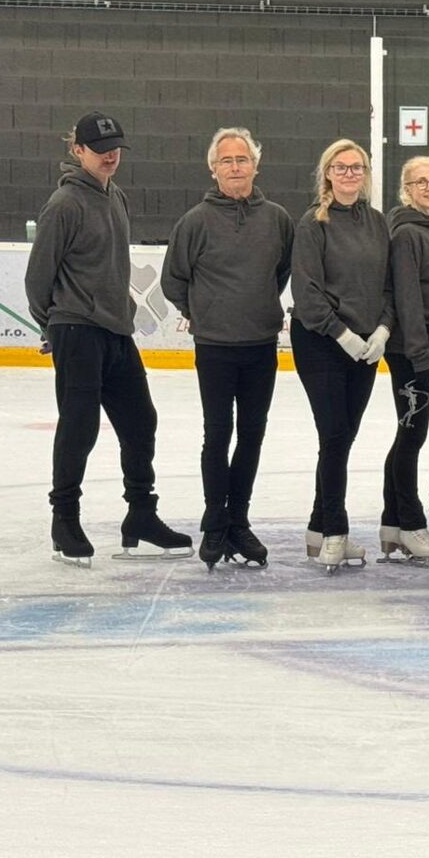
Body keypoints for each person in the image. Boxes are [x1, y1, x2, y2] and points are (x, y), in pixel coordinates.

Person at [26, 114, 193, 566]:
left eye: (115, 146)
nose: (110, 155)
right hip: (77, 330)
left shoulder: (115, 196)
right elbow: (37, 279)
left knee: (141, 422)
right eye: (100, 148)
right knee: (79, 427)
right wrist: (53, 327)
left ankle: (141, 516)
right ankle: (64, 520)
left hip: (117, 331)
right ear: (77, 150)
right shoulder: (64, 204)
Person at [161, 126, 292, 570]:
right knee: (217, 434)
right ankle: (216, 521)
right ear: (213, 169)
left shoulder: (277, 219)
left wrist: (256, 305)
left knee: (252, 434)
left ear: (256, 165)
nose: (235, 167)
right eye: (226, 161)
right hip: (215, 346)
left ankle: (239, 520)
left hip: (260, 345)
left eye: (242, 159)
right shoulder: (195, 222)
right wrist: (204, 311)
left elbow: (280, 272)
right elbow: (173, 280)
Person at [290, 138, 394, 572]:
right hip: (321, 342)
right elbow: (306, 291)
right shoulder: (313, 224)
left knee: (343, 436)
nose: (350, 174)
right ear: (328, 174)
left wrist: (383, 328)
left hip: (365, 347)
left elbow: (388, 285)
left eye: (357, 167)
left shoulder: (377, 223)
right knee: (334, 434)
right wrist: (341, 334)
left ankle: (318, 526)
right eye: (341, 167)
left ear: (365, 174)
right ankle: (335, 530)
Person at [380, 155, 429, 564]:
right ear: (405, 189)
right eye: (419, 181)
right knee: (412, 436)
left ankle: (392, 521)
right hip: (411, 352)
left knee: (407, 434)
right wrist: (420, 354)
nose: (428, 187)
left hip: (424, 348)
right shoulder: (408, 233)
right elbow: (407, 297)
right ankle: (410, 522)